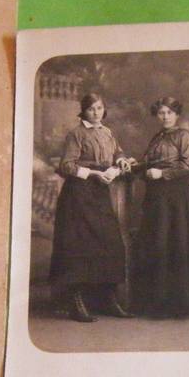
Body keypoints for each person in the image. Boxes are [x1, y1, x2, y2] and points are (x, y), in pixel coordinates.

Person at [50, 92, 134, 322]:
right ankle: (76, 303)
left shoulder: (107, 132)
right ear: (84, 111)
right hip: (79, 195)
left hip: (100, 195)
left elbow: (118, 151)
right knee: (81, 247)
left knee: (110, 243)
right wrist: (94, 173)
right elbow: (66, 165)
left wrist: (121, 161)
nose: (96, 113)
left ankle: (108, 299)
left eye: (99, 108)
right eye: (91, 109)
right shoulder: (76, 134)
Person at [131, 96, 189, 317]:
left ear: (177, 115)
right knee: (158, 243)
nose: (165, 116)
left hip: (176, 197)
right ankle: (159, 301)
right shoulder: (157, 137)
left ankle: (180, 303)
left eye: (169, 112)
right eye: (161, 113)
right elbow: (147, 162)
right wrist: (131, 165)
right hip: (157, 198)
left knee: (177, 242)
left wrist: (163, 173)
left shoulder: (183, 136)